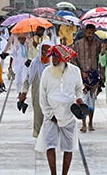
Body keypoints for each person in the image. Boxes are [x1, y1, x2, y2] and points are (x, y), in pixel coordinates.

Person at [35, 44, 84, 175]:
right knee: (50, 145)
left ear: (64, 58)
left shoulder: (75, 71)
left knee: (68, 148)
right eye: (53, 57)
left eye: (57, 57)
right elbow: (42, 96)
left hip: (68, 114)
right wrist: (50, 114)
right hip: (51, 115)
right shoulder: (47, 72)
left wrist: (79, 99)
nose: (54, 60)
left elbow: (79, 88)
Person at [71, 23, 103, 133]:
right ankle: (84, 124)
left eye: (92, 32)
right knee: (83, 100)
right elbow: (73, 60)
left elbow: (101, 59)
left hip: (94, 77)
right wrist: (80, 72)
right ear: (85, 32)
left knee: (92, 101)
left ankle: (90, 122)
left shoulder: (98, 44)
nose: (90, 34)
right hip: (82, 77)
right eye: (88, 32)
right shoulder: (78, 44)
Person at [19, 40, 53, 137]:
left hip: (51, 94)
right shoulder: (35, 63)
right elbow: (28, 79)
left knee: (50, 115)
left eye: (48, 51)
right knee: (38, 114)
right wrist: (24, 93)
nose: (45, 53)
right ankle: (37, 133)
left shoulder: (54, 64)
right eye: (43, 50)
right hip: (37, 93)